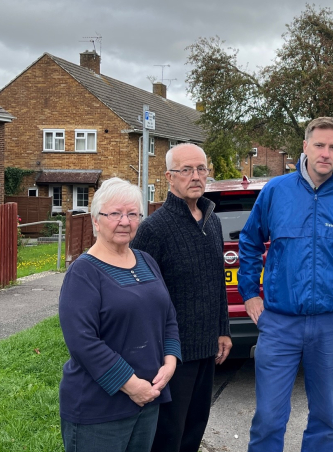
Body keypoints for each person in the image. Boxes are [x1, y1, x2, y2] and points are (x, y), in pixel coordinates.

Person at [237, 116, 333, 452]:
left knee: (325, 418)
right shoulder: (276, 191)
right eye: (319, 144)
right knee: (269, 418)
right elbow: (249, 242)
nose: (325, 153)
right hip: (280, 322)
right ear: (305, 146)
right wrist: (249, 294)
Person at [58, 178, 181, 452]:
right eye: (114, 213)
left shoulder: (147, 261)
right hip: (98, 409)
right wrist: (131, 384)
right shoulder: (83, 273)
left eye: (132, 213)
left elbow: (168, 318)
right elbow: (83, 342)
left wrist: (170, 362)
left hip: (148, 399)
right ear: (96, 220)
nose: (124, 221)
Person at [131, 143, 232, 452]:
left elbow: (217, 280)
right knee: (168, 435)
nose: (196, 176)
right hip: (171, 354)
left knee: (195, 428)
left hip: (207, 348)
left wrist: (223, 329)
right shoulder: (153, 229)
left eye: (201, 169)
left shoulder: (212, 220)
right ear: (169, 177)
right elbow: (140, 295)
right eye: (186, 170)